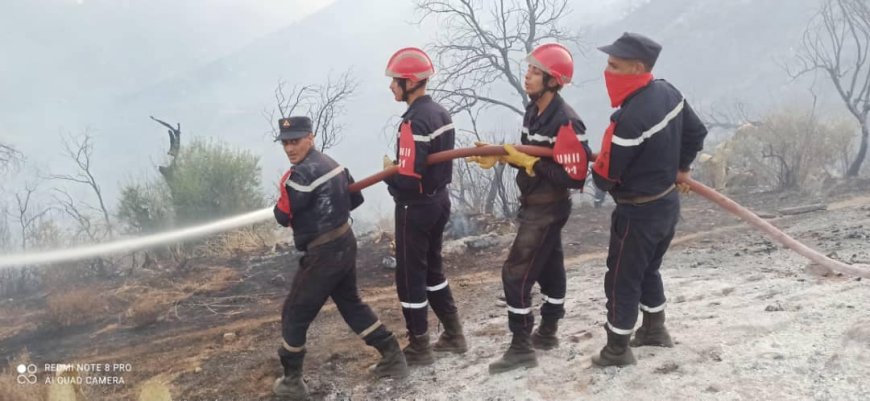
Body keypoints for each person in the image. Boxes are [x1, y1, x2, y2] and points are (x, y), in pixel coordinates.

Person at [469, 43, 592, 374]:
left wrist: (531, 164)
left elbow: (573, 176)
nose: (528, 75)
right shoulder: (533, 111)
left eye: (536, 71)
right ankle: (549, 331)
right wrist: (503, 156)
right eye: (529, 69)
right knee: (550, 268)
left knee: (515, 273)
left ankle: (521, 347)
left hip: (547, 208)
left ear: (554, 80)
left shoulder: (567, 123)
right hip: (535, 203)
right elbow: (528, 158)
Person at [590, 32, 708, 367]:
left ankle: (616, 350)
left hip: (638, 214)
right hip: (667, 206)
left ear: (637, 67)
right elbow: (697, 132)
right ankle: (655, 329)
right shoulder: (669, 92)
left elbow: (604, 177)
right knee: (647, 269)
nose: (607, 71)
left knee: (621, 278)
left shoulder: (628, 121)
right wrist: (680, 166)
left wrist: (593, 164)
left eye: (614, 65)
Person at [272, 116, 409, 398]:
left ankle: (291, 383)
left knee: (294, 313)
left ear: (310, 137)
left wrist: (284, 193)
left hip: (323, 254)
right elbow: (355, 200)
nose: (289, 148)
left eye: (295, 141)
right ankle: (393, 356)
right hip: (345, 242)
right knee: (350, 303)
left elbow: (282, 216)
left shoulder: (298, 177)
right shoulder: (333, 164)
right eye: (285, 143)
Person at [382, 47, 467, 365]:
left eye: (395, 81)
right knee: (433, 270)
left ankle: (420, 346)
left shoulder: (414, 122)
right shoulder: (441, 114)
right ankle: (454, 334)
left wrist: (390, 178)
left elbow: (409, 176)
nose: (391, 86)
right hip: (439, 201)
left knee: (409, 277)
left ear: (411, 82)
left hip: (414, 207)